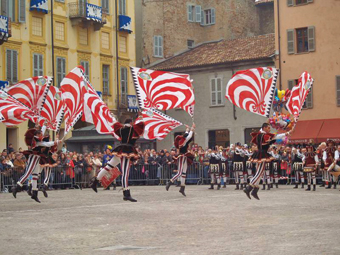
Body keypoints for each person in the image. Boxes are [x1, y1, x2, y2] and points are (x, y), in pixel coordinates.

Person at [90, 116, 145, 202]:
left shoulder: (121, 129)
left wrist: (113, 117)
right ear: (131, 123)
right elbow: (141, 127)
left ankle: (95, 182)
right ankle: (126, 193)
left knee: (108, 167)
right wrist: (141, 118)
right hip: (127, 151)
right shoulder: (132, 129)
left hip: (120, 150)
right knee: (125, 173)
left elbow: (115, 124)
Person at [12, 127, 61, 202]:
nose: (42, 135)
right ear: (37, 134)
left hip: (38, 158)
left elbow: (44, 139)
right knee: (28, 173)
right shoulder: (35, 139)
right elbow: (45, 143)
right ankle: (17, 187)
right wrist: (55, 142)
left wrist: (44, 125)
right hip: (33, 157)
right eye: (40, 134)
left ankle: (34, 193)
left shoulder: (38, 138)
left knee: (35, 176)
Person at [244, 123, 290, 200]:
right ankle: (248, 188)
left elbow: (272, 139)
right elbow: (274, 137)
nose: (269, 129)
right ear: (264, 128)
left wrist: (284, 134)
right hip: (262, 154)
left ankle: (254, 190)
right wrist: (286, 133)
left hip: (260, 153)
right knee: (259, 172)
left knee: (260, 172)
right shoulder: (264, 135)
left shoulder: (260, 134)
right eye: (268, 128)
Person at [166, 123, 195, 196]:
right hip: (182, 156)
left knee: (184, 172)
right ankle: (170, 181)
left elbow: (185, 136)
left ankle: (182, 188)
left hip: (185, 156)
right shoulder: (183, 142)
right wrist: (192, 129)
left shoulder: (180, 141)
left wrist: (187, 129)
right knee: (180, 172)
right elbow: (188, 136)